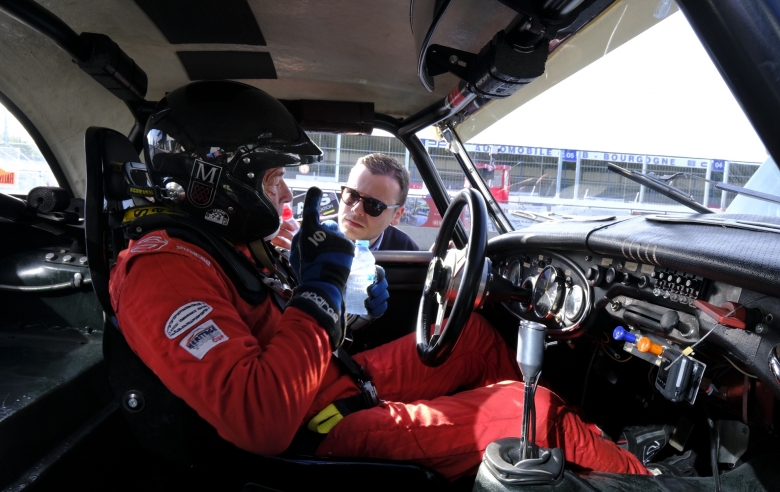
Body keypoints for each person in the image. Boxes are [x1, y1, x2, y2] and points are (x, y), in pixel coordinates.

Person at [109, 80, 650, 483]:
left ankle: (516, 469)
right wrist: (317, 294)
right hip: (313, 431)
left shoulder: (220, 248)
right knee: (531, 411)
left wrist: (314, 288)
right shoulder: (161, 270)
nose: (284, 197)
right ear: (217, 181)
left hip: (330, 382)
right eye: (273, 179)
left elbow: (277, 327)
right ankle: (640, 478)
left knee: (477, 339)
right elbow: (260, 418)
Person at [338, 153, 419, 252]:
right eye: (352, 195)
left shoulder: (407, 252)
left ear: (396, 215)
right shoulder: (315, 233)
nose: (356, 209)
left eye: (373, 205)